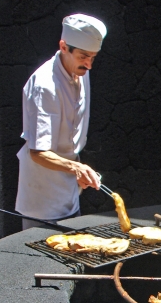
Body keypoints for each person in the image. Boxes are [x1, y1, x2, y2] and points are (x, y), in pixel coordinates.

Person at [15, 14, 107, 229]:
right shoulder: (45, 86)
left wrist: (77, 171)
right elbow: (38, 152)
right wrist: (76, 168)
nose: (89, 65)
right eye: (83, 57)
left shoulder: (81, 71)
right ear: (64, 47)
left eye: (93, 58)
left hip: (70, 188)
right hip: (42, 197)